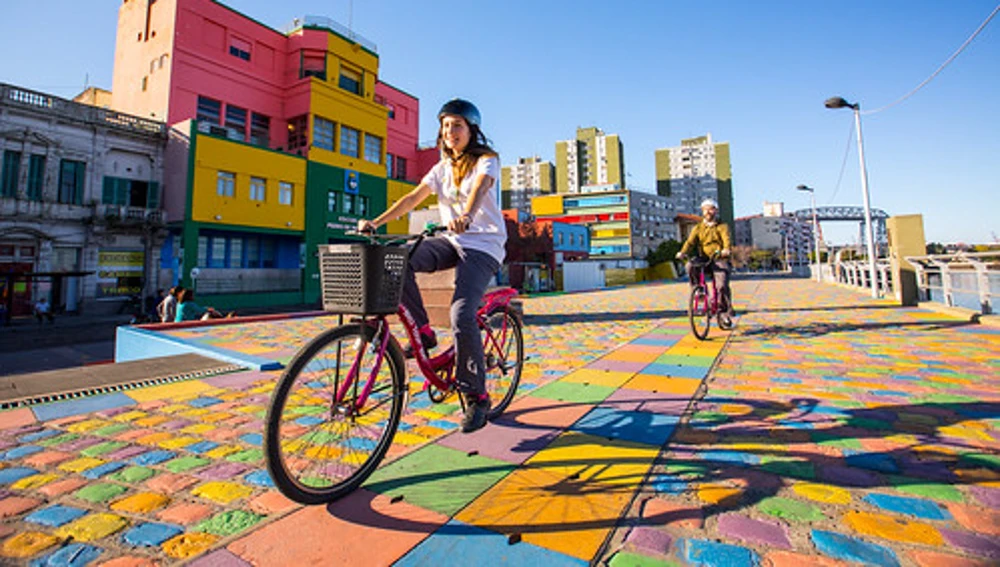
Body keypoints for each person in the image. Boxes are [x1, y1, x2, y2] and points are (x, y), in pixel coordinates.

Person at [357, 98, 506, 434]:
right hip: (452, 241)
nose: (448, 131)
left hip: (483, 245)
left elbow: (481, 187)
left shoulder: (486, 160)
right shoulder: (440, 169)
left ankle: (477, 395)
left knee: (461, 314)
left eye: (456, 125)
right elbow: (411, 199)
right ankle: (423, 333)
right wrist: (376, 223)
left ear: (471, 130)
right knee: (396, 260)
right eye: (444, 125)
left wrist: (467, 215)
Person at [676, 198, 734, 317]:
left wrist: (726, 249)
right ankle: (698, 290)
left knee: (721, 285)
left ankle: (724, 310)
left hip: (719, 259)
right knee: (690, 265)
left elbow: (726, 239)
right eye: (705, 209)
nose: (708, 212)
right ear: (702, 211)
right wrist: (682, 252)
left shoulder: (722, 226)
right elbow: (690, 242)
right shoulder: (698, 228)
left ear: (716, 211)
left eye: (711, 209)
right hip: (704, 258)